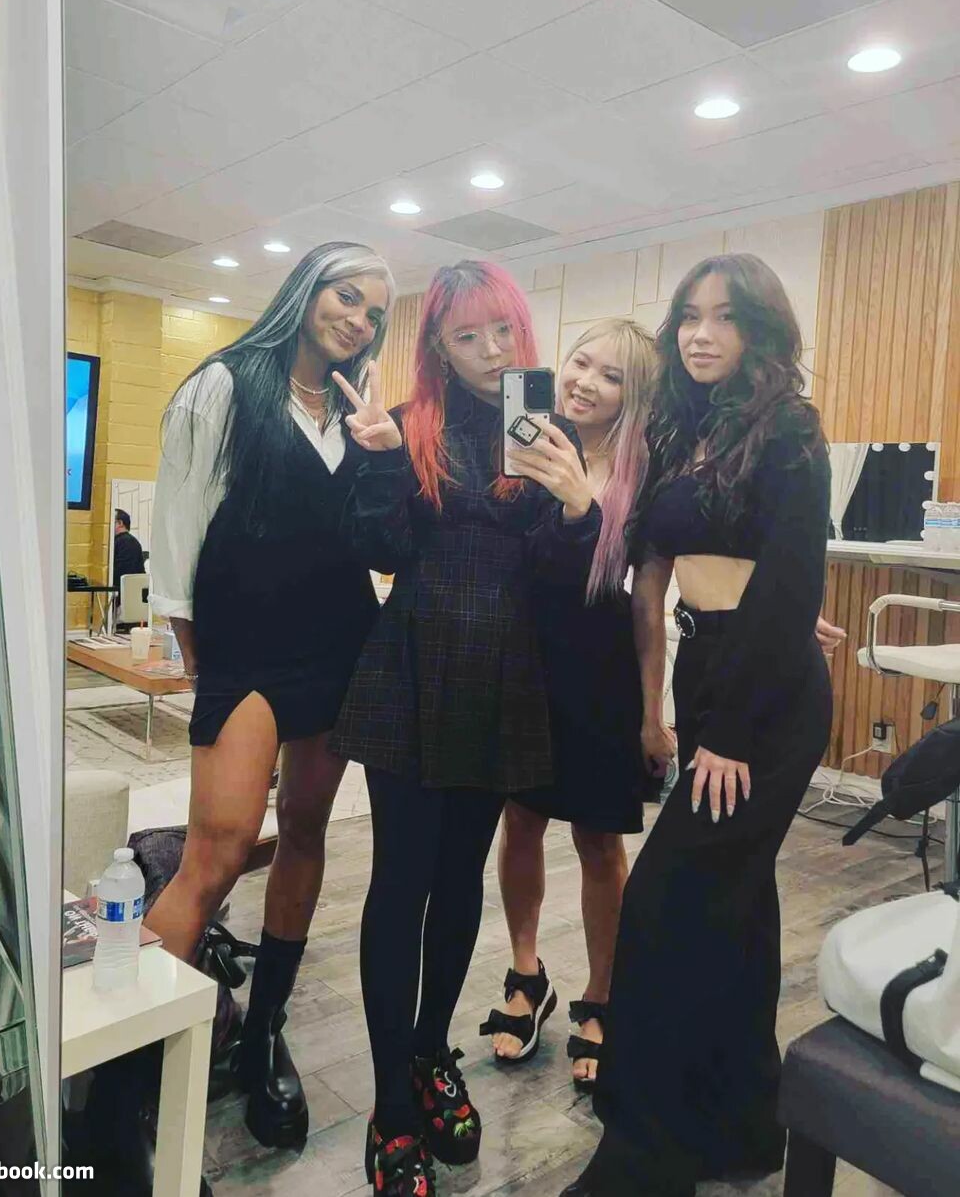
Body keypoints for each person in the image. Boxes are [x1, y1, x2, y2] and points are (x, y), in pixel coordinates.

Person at [562, 254, 833, 1197]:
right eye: (689, 316)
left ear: (761, 330)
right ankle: (745, 1125)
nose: (701, 334)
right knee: (736, 911)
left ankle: (647, 1154)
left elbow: (793, 576)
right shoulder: (690, 425)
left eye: (725, 317)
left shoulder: (789, 426)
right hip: (710, 671)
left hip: (765, 704)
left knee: (663, 907)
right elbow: (671, 562)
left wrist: (731, 734)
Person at [330, 261, 601, 1197]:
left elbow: (560, 573)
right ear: (438, 348)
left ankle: (429, 1051)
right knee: (400, 883)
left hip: (505, 673)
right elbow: (380, 550)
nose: (490, 351)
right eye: (467, 336)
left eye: (503, 331)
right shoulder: (408, 424)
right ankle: (389, 1102)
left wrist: (577, 504)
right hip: (414, 663)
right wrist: (376, 458)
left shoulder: (548, 430)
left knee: (458, 883)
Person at [145, 242, 393, 1149]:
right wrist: (197, 654)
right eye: (346, 296)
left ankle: (263, 1030)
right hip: (246, 649)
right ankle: (132, 1072)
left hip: (339, 646)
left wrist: (385, 454)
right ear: (304, 290)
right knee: (217, 850)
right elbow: (177, 535)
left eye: (374, 313)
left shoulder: (359, 412)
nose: (358, 320)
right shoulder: (224, 384)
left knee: (306, 832)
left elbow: (371, 537)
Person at [481, 319, 658, 1088]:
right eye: (581, 362)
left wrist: (653, 712)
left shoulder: (647, 471)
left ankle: (603, 995)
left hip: (601, 673)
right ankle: (527, 977)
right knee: (519, 821)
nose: (586, 381)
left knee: (598, 843)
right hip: (526, 664)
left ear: (635, 394)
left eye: (611, 375)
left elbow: (647, 599)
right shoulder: (529, 442)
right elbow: (510, 555)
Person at [112, 509, 146, 627]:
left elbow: (121, 573)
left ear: (120, 523)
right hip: (130, 597)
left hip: (124, 599)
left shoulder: (125, 542)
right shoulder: (130, 542)